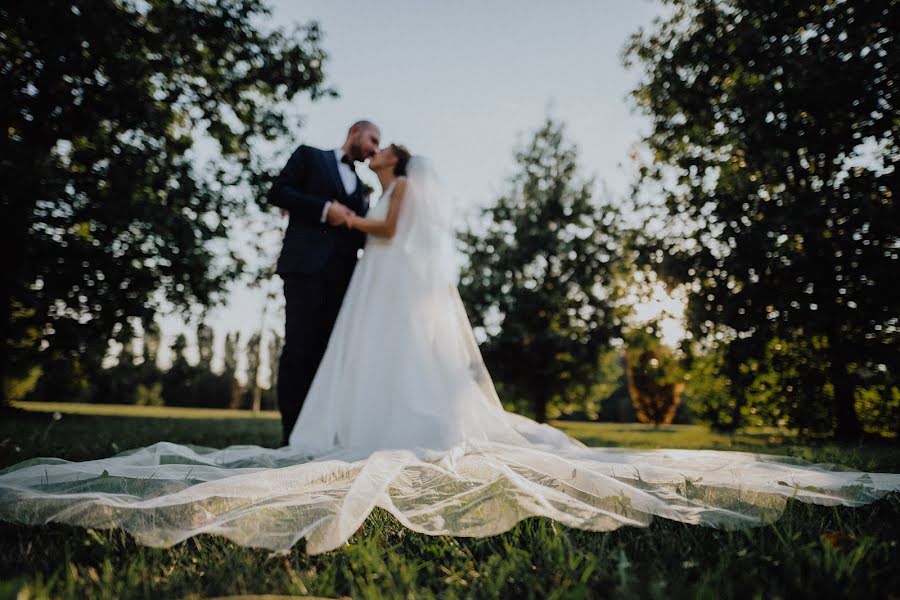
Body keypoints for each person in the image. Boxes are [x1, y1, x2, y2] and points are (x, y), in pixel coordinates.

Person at [0, 150, 898, 556]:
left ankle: (388, 429)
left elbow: (384, 229)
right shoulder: (338, 168)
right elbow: (335, 214)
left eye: (386, 150)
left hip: (385, 290)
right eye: (372, 144)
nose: (377, 151)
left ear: (397, 164)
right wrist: (343, 213)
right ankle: (349, 425)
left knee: (393, 375)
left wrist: (359, 212)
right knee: (343, 367)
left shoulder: (396, 196)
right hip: (365, 292)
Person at [267, 120, 380, 446]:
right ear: (355, 132)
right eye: (372, 139)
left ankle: (316, 433)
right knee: (299, 350)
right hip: (304, 268)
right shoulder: (309, 156)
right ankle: (291, 436)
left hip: (343, 280)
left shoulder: (362, 189)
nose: (374, 148)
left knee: (327, 356)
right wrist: (324, 209)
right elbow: (278, 191)